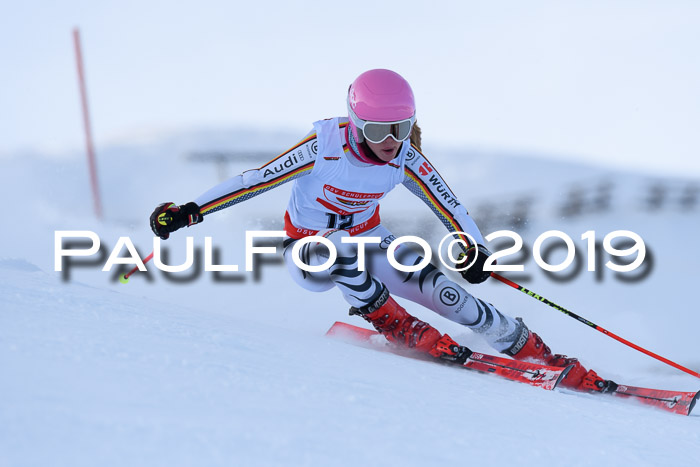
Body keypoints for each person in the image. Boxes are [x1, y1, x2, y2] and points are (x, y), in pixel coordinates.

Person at [150, 69, 612, 392]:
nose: (391, 141)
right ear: (356, 122)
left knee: (444, 291)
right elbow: (255, 180)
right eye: (378, 130)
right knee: (332, 252)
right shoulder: (324, 147)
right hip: (309, 250)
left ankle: (531, 350)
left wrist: (474, 249)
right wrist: (191, 211)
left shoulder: (406, 158)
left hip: (370, 239)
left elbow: (447, 203)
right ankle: (396, 325)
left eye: (401, 127)